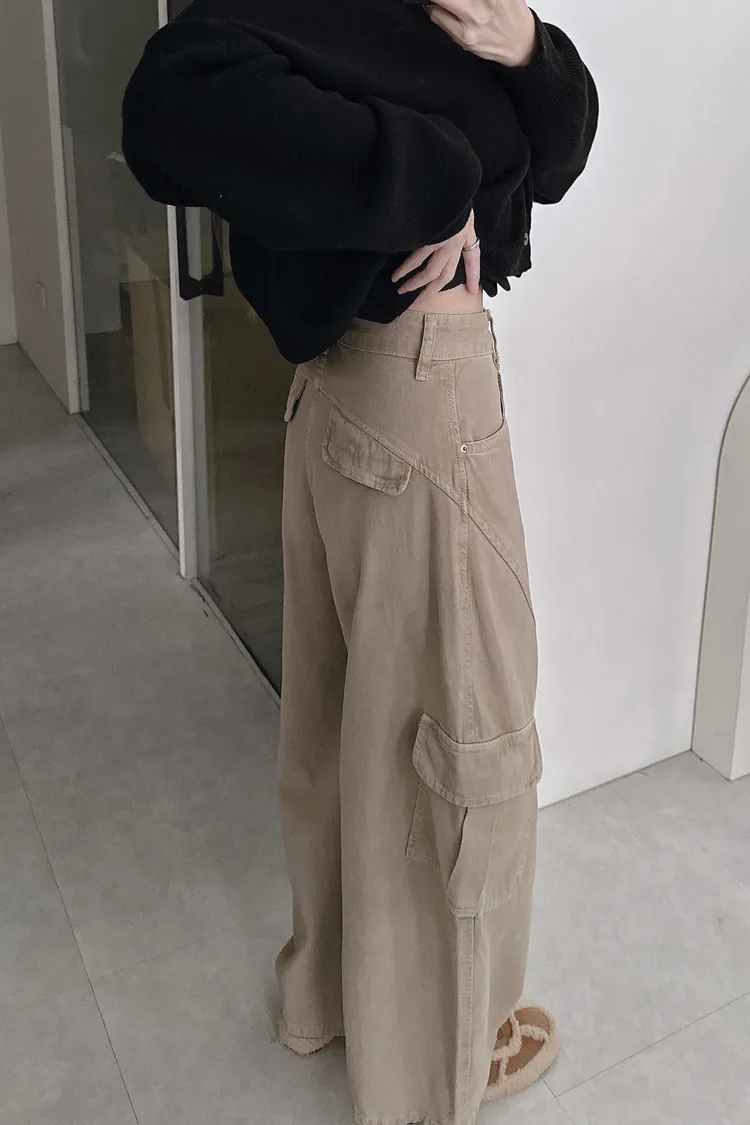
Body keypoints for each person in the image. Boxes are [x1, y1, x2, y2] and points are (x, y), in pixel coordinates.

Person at [121, 2, 598, 1122]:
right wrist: (437, 177)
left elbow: (559, 152)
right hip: (416, 382)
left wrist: (528, 48)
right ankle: (435, 1070)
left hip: (351, 390)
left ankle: (330, 1003)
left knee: (351, 729)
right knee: (464, 735)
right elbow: (169, 106)